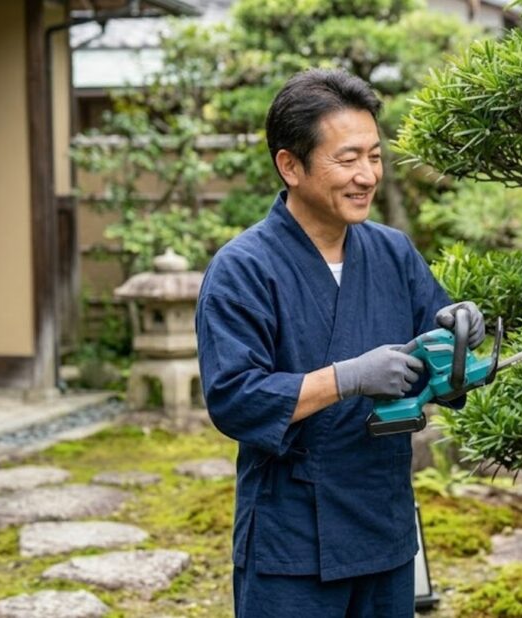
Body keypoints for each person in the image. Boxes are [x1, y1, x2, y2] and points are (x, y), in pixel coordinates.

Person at [196, 68, 485, 618]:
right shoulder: (243, 268)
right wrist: (346, 378)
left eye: (374, 156)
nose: (367, 175)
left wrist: (462, 334)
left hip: (384, 523)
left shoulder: (393, 252)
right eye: (347, 158)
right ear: (290, 165)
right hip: (292, 538)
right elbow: (234, 398)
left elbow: (442, 367)